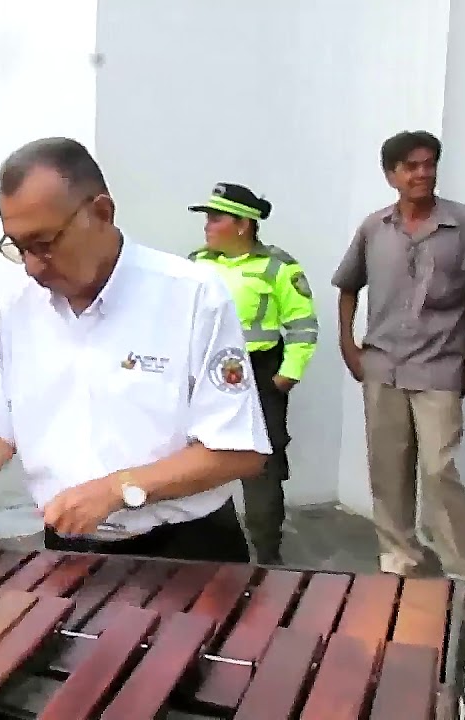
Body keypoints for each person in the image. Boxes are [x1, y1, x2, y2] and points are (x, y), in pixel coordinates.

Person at [0, 138, 270, 563]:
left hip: (187, 549)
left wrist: (118, 490)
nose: (31, 265)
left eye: (44, 243)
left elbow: (238, 451)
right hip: (69, 548)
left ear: (101, 212)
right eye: (19, 247)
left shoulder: (192, 296)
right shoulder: (25, 313)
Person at [332, 131, 465, 592]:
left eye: (429, 164)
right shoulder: (374, 228)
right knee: (387, 466)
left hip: (440, 366)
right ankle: (400, 554)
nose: (422, 173)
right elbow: (348, 284)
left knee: (439, 469)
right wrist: (348, 345)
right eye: (411, 166)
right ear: (391, 175)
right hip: (383, 364)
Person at [187, 183, 319, 564]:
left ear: (243, 225)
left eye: (216, 218)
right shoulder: (197, 262)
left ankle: (266, 552)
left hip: (260, 374)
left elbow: (302, 324)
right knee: (200, 454)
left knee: (262, 462)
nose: (207, 226)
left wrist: (288, 374)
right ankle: (205, 545)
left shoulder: (277, 266)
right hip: (205, 375)